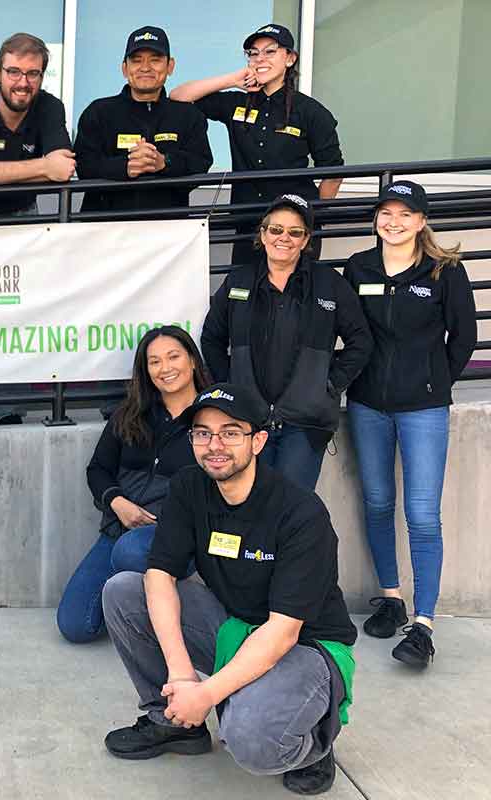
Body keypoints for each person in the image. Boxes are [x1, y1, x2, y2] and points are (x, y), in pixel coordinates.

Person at [101, 383, 357, 796]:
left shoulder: (300, 512)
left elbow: (283, 632)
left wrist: (206, 694)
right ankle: (175, 725)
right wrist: (183, 675)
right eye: (202, 433)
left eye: (230, 432)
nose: (214, 444)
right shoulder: (190, 488)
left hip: (306, 646)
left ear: (258, 440)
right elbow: (160, 574)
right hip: (235, 628)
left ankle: (315, 740)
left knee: (251, 741)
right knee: (123, 592)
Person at [342, 181, 476, 668]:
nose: (393, 222)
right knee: (378, 503)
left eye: (405, 214)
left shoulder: (445, 270)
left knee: (422, 514)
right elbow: (350, 332)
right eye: (385, 213)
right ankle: (390, 597)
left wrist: (433, 382)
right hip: (367, 405)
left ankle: (423, 624)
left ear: (422, 221)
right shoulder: (358, 267)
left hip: (423, 408)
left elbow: (463, 338)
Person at [200, 193, 371, 491]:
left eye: (295, 232)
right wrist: (229, 384)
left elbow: (361, 340)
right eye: (276, 230)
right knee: (250, 505)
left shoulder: (329, 283)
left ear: (306, 240)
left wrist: (328, 385)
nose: (284, 238)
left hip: (305, 425)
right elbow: (212, 338)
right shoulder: (238, 281)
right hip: (247, 422)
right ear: (263, 234)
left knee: (292, 508)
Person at [0, 32, 75, 427]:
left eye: (33, 74)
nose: (23, 83)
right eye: (14, 72)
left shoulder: (50, 108)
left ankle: (10, 408)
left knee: (17, 315)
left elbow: (65, 170)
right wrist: (38, 167)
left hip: (23, 218)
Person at [56, 326, 208, 644]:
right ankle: (145, 606)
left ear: (193, 360)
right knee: (74, 625)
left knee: (131, 550)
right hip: (118, 533)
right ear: (146, 370)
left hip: (175, 538)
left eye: (173, 357)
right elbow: (98, 469)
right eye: (154, 362)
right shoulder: (131, 414)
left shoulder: (212, 419)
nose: (165, 368)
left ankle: (172, 608)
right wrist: (117, 502)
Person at [169, 24, 342, 265]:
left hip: (293, 227)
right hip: (247, 222)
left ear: (290, 58)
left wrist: (312, 217)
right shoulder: (236, 103)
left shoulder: (311, 111)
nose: (260, 58)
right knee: (244, 294)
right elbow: (178, 97)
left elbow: (332, 173)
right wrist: (232, 79)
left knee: (294, 297)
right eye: (253, 53)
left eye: (270, 51)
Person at [74, 25, 212, 212]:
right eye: (136, 61)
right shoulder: (99, 112)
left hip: (170, 229)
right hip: (104, 229)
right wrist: (125, 166)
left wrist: (164, 162)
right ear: (125, 68)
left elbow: (201, 163)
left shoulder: (188, 115)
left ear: (170, 66)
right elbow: (83, 166)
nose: (145, 68)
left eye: (155, 60)